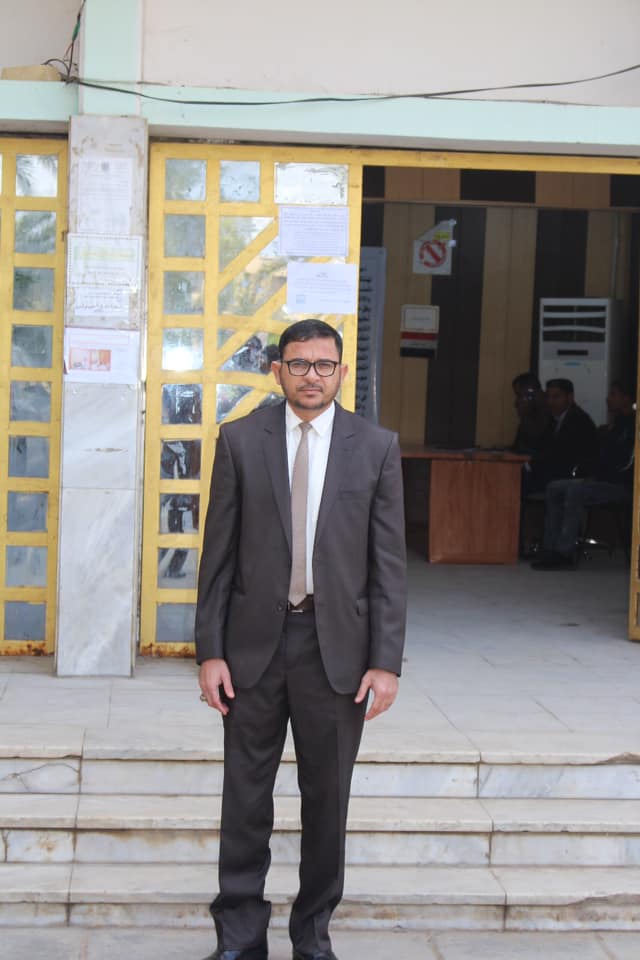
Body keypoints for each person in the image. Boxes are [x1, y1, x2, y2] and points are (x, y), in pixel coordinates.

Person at [195, 319, 407, 960]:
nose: (311, 375)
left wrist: (386, 662)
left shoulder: (376, 447)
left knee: (327, 801)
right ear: (277, 371)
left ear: (341, 372)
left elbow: (388, 564)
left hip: (335, 652)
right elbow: (218, 556)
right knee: (245, 800)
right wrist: (210, 651)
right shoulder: (240, 440)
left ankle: (313, 937)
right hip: (252, 650)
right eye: (298, 364)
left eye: (323, 365)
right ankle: (239, 938)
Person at [532, 381, 635, 570]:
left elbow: (625, 464)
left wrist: (598, 472)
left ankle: (565, 553)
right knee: (554, 488)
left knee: (575, 490)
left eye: (613, 394)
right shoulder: (616, 424)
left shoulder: (633, 427)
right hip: (600, 480)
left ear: (627, 399)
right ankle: (549, 548)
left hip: (621, 485)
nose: (608, 399)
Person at [523, 378, 597, 495]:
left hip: (570, 477)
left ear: (570, 397)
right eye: (548, 397)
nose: (550, 402)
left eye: (556, 397)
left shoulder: (579, 420)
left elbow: (561, 455)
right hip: (555, 473)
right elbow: (542, 445)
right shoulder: (554, 419)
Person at [512, 372, 551, 457]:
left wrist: (524, 414)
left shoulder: (551, 411)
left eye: (519, 395)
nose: (517, 402)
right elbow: (518, 447)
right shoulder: (529, 412)